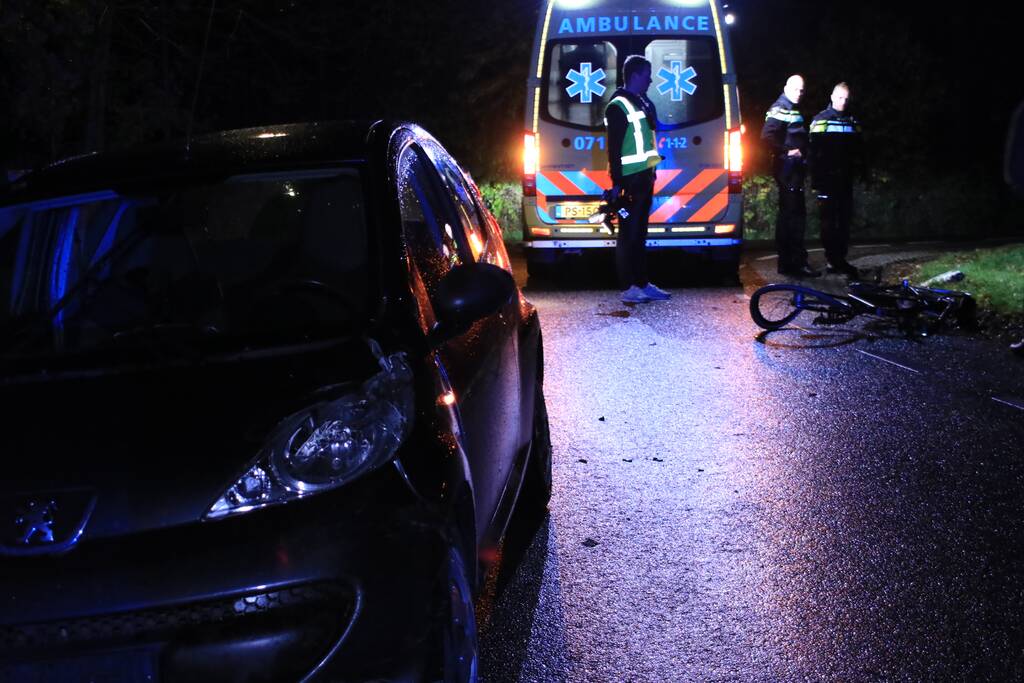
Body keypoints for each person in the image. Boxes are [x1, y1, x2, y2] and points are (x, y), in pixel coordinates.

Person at [604, 54, 669, 304]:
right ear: (634, 76)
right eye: (646, 75)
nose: (650, 80)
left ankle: (642, 282)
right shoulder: (617, 106)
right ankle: (628, 286)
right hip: (629, 182)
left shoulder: (639, 101)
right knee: (628, 233)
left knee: (639, 233)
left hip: (643, 177)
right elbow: (614, 149)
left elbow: (651, 126)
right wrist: (617, 184)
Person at [762, 74, 820, 278]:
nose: (799, 94)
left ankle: (787, 262)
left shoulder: (790, 107)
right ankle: (796, 263)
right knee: (795, 217)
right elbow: (767, 137)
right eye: (796, 89)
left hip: (791, 169)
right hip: (788, 169)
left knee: (789, 216)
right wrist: (786, 152)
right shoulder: (781, 108)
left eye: (802, 90)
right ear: (786, 87)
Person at [810, 82, 863, 279]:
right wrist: (817, 180)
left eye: (846, 99)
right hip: (827, 180)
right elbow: (814, 153)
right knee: (828, 222)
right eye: (840, 98)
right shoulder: (821, 121)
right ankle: (832, 259)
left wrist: (860, 172)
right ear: (832, 97)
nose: (843, 102)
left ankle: (839, 259)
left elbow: (859, 150)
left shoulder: (852, 121)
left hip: (845, 180)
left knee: (844, 221)